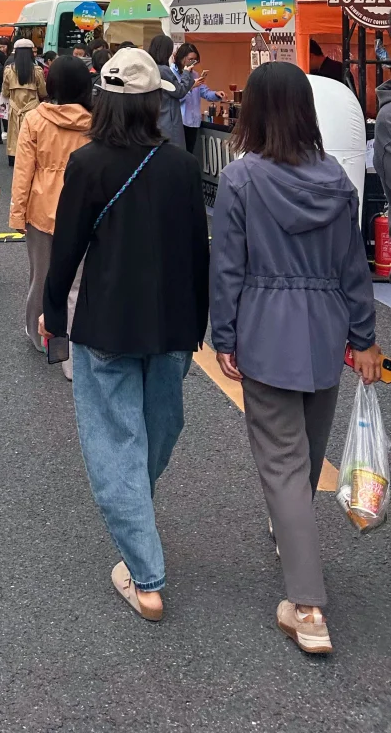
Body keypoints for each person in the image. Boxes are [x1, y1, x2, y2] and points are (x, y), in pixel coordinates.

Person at [210, 61, 382, 655]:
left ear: (254, 112)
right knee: (306, 454)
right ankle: (291, 530)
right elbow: (353, 269)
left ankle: (307, 607)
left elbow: (227, 268)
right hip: (325, 330)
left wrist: (224, 335)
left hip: (265, 329)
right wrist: (364, 338)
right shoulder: (336, 179)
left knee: (284, 463)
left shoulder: (241, 179)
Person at [40, 47, 209, 622]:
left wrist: (53, 315)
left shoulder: (88, 164)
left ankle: (146, 576)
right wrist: (200, 322)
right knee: (157, 432)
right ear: (155, 103)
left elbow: (67, 248)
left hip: (108, 320)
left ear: (104, 101)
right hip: (172, 323)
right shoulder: (181, 166)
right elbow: (197, 251)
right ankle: (140, 537)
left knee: (117, 444)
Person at [10, 54, 93, 360]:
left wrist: (17, 214)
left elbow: (23, 171)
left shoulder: (35, 119)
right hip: (84, 209)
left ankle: (37, 335)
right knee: (78, 282)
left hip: (41, 208)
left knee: (41, 276)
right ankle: (71, 341)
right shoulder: (95, 122)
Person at [0, 39, 47, 168]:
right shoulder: (37, 70)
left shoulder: (9, 70)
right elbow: (43, 91)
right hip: (32, 107)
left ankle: (13, 158)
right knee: (32, 134)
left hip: (15, 107)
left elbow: (5, 92)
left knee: (13, 134)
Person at [148, 32, 197, 148]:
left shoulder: (150, 68)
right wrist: (186, 73)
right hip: (168, 120)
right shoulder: (164, 71)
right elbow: (179, 91)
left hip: (156, 117)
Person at [173, 41, 222, 153]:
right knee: (180, 154)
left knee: (189, 153)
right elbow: (175, 97)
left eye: (195, 60)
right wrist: (190, 87)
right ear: (181, 58)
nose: (193, 63)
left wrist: (216, 94)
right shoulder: (172, 74)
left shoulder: (194, 74)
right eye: (190, 59)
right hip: (180, 121)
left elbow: (204, 91)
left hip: (194, 121)